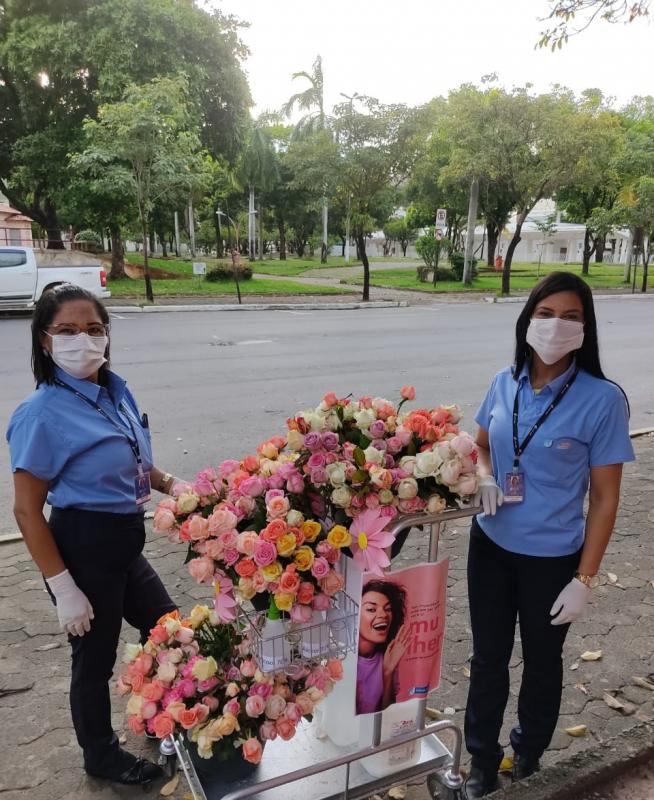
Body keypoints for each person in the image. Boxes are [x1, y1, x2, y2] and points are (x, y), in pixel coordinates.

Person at [6, 285, 186, 787]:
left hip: (125, 542)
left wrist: (172, 483)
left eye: (93, 329)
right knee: (95, 658)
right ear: (45, 341)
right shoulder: (40, 414)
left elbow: (133, 457)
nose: (82, 340)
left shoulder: (113, 391)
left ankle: (162, 711)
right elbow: (25, 510)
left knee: (168, 629)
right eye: (66, 331)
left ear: (107, 335)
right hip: (83, 546)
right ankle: (100, 755)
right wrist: (64, 588)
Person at [465, 272, 634, 798]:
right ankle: (481, 762)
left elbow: (605, 498)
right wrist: (486, 476)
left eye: (571, 316)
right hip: (489, 546)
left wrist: (584, 578)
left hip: (552, 560)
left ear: (586, 328)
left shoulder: (602, 400)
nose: (555, 326)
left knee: (542, 662)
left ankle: (529, 755)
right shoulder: (503, 380)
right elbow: (482, 445)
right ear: (527, 319)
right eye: (545, 313)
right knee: (488, 657)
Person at [356, 579, 410, 714]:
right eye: (371, 609)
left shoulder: (388, 656)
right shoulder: (341, 656)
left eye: (388, 609)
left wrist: (388, 672)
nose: (383, 615)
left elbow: (387, 716)